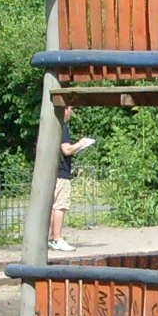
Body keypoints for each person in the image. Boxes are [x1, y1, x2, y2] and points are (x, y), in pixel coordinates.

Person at [48, 104, 96, 254]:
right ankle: (57, 239)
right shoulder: (62, 127)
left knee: (51, 206)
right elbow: (66, 150)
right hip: (61, 173)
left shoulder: (50, 126)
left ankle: (49, 238)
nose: (72, 112)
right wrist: (82, 143)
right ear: (64, 110)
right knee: (60, 206)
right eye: (70, 108)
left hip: (51, 172)